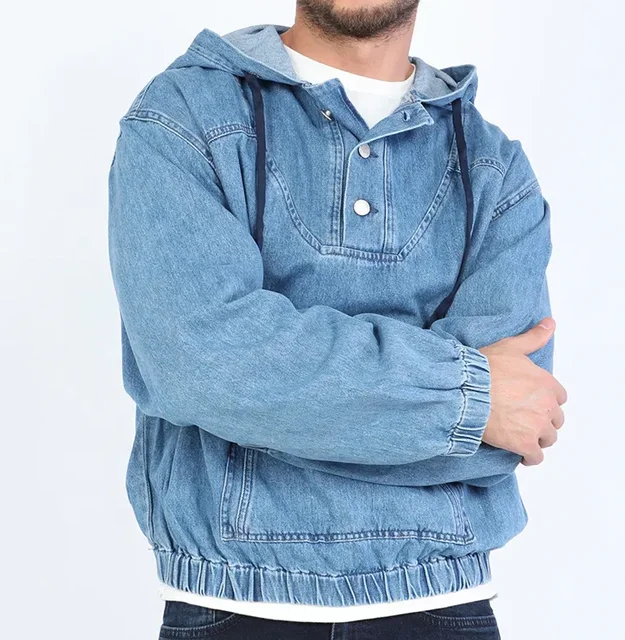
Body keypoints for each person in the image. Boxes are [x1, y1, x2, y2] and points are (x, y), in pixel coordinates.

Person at [107, 1, 568, 638]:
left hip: (446, 603)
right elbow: (200, 365)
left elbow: (514, 421)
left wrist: (280, 402)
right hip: (234, 603)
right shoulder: (184, 116)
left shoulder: (495, 167)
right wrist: (469, 399)